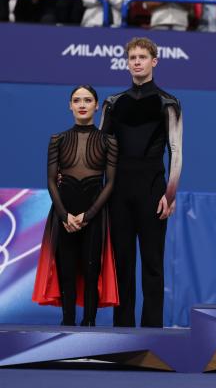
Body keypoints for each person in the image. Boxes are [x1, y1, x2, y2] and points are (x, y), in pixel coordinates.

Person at [100, 37, 183, 328]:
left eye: (142, 57)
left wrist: (169, 194)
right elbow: (100, 151)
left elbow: (176, 150)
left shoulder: (168, 102)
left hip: (153, 189)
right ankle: (122, 330)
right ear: (127, 63)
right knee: (122, 263)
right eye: (132, 57)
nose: (137, 61)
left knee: (152, 264)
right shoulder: (112, 104)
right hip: (118, 190)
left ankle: (152, 331)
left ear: (154, 62)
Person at [32, 85, 119, 326]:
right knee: (66, 271)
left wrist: (88, 215)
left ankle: (89, 322)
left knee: (92, 272)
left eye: (87, 100)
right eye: (77, 100)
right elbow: (51, 180)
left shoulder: (109, 141)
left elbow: (110, 183)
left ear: (97, 106)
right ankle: (67, 322)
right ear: (69, 105)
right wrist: (63, 215)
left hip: (94, 214)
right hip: (63, 215)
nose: (82, 104)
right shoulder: (57, 139)